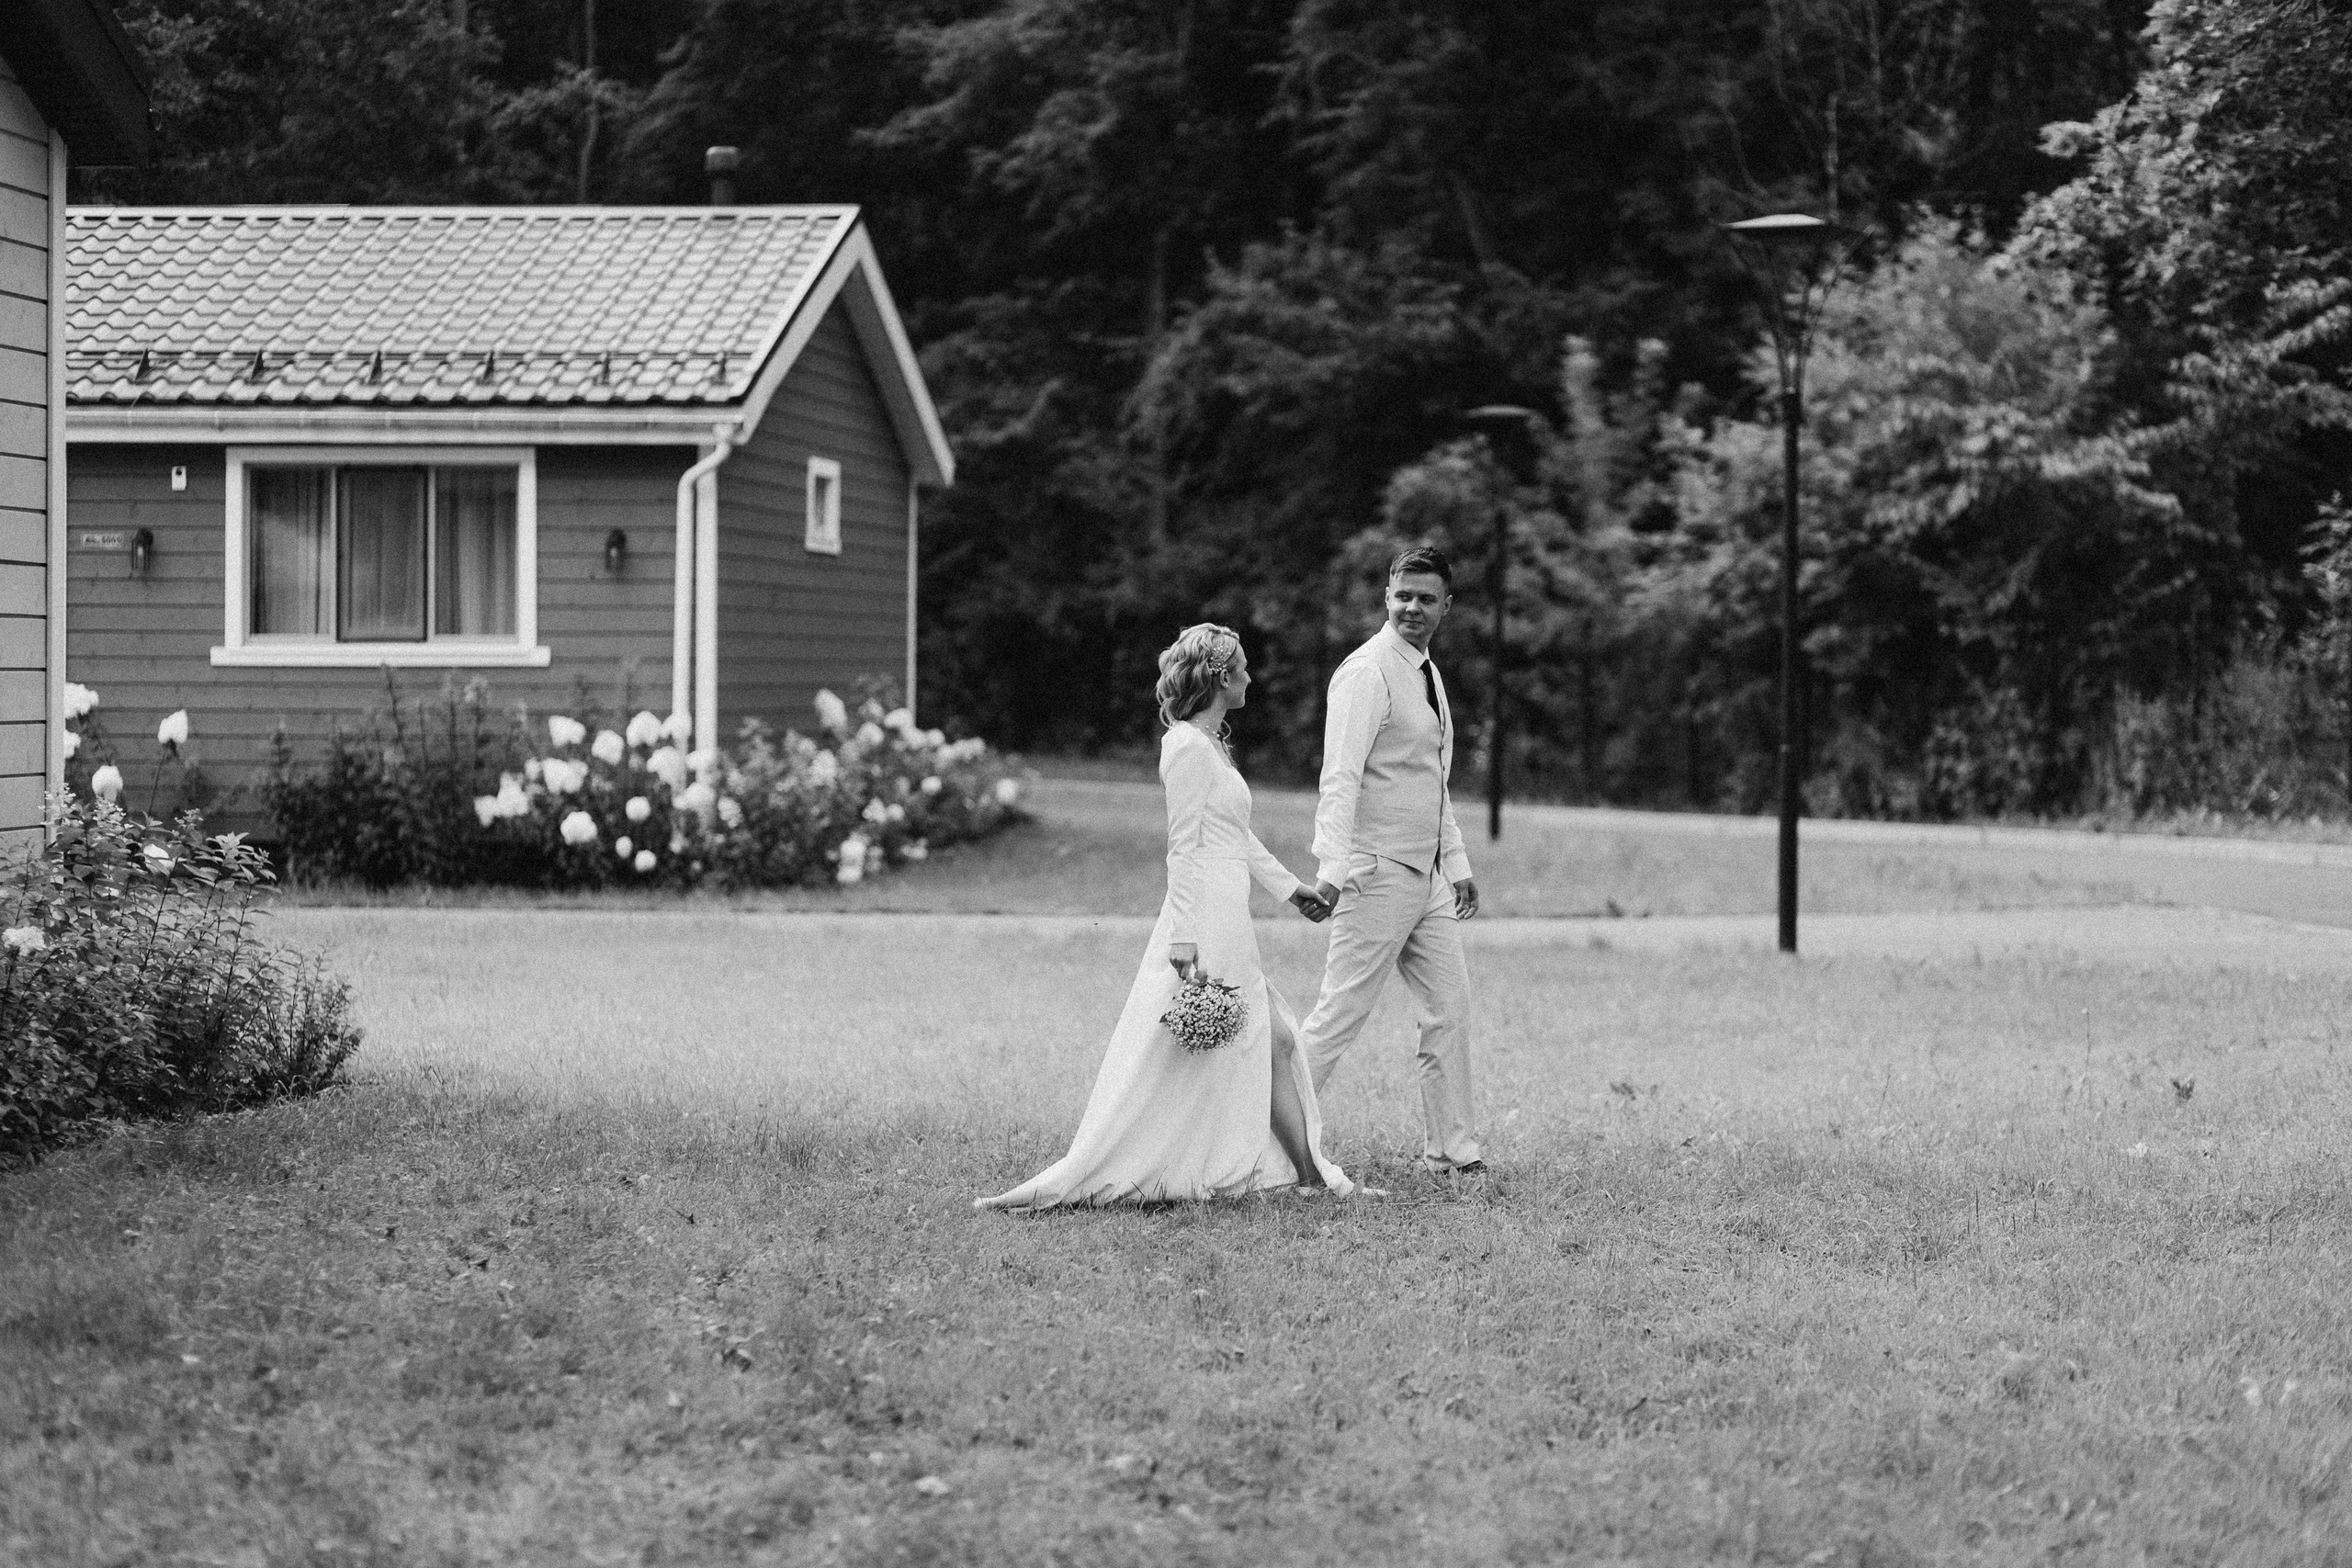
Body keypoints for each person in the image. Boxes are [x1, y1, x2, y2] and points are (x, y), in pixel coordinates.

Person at [977, 624, 1355, 1210]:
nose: (1251, 677)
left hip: (1229, 911)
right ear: (1219, 678)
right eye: (1244, 669)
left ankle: (1305, 1174)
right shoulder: (1184, 747)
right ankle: (1282, 1173)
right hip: (1204, 915)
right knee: (1238, 1040)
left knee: (1269, 1039)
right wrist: (1182, 938)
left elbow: (1236, 835)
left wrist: (1289, 890)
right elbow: (1183, 847)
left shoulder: (1211, 746)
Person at [1295, 545, 1486, 1182]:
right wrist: (1330, 865)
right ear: (1386, 596)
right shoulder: (1367, 671)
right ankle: (1264, 1136)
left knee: (1450, 1008)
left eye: (1427, 598)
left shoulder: (1426, 672)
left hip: (1425, 876)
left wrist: (1455, 862)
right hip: (1374, 872)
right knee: (1338, 1016)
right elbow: (1339, 778)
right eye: (1403, 595)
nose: (1413, 607)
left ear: (1446, 607)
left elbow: (1431, 779)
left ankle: (1452, 1152)